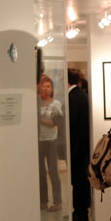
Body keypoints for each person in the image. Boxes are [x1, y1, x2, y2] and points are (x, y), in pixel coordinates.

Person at [68, 68, 91, 221]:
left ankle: (80, 211)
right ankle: (81, 209)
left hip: (77, 145)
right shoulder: (79, 95)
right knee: (79, 178)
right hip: (80, 145)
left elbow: (70, 121)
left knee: (78, 179)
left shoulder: (74, 97)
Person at [38, 75, 63, 212]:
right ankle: (43, 201)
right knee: (41, 173)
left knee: (53, 172)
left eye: (48, 86)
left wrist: (40, 120)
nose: (46, 89)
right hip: (39, 141)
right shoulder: (36, 104)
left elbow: (55, 123)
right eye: (44, 86)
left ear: (52, 89)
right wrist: (47, 121)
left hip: (51, 141)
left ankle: (57, 202)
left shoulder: (56, 104)